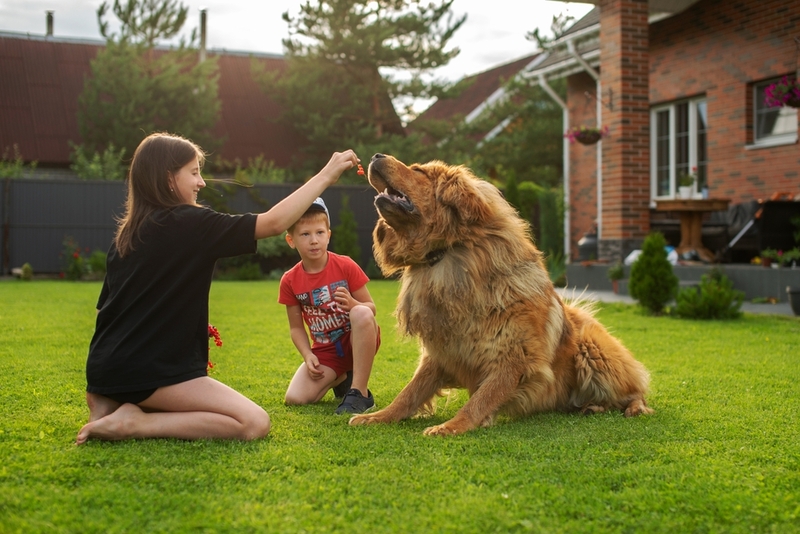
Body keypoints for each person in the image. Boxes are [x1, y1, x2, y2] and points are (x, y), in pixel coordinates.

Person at [76, 132, 359, 445]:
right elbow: (273, 224)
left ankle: (109, 408)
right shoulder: (191, 222)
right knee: (253, 422)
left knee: (115, 407)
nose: (202, 183)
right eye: (195, 173)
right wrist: (327, 174)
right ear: (169, 179)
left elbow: (108, 312)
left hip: (104, 374)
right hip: (151, 373)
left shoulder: (125, 238)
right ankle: (136, 422)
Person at [280, 197, 380, 414]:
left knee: (361, 312)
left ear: (328, 235)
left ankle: (360, 393)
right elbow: (296, 327)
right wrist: (308, 355)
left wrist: (353, 304)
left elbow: (370, 308)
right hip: (326, 350)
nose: (313, 240)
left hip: (356, 339)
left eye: (319, 232)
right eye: (305, 234)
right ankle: (341, 378)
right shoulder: (289, 280)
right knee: (295, 398)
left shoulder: (346, 265)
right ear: (291, 240)